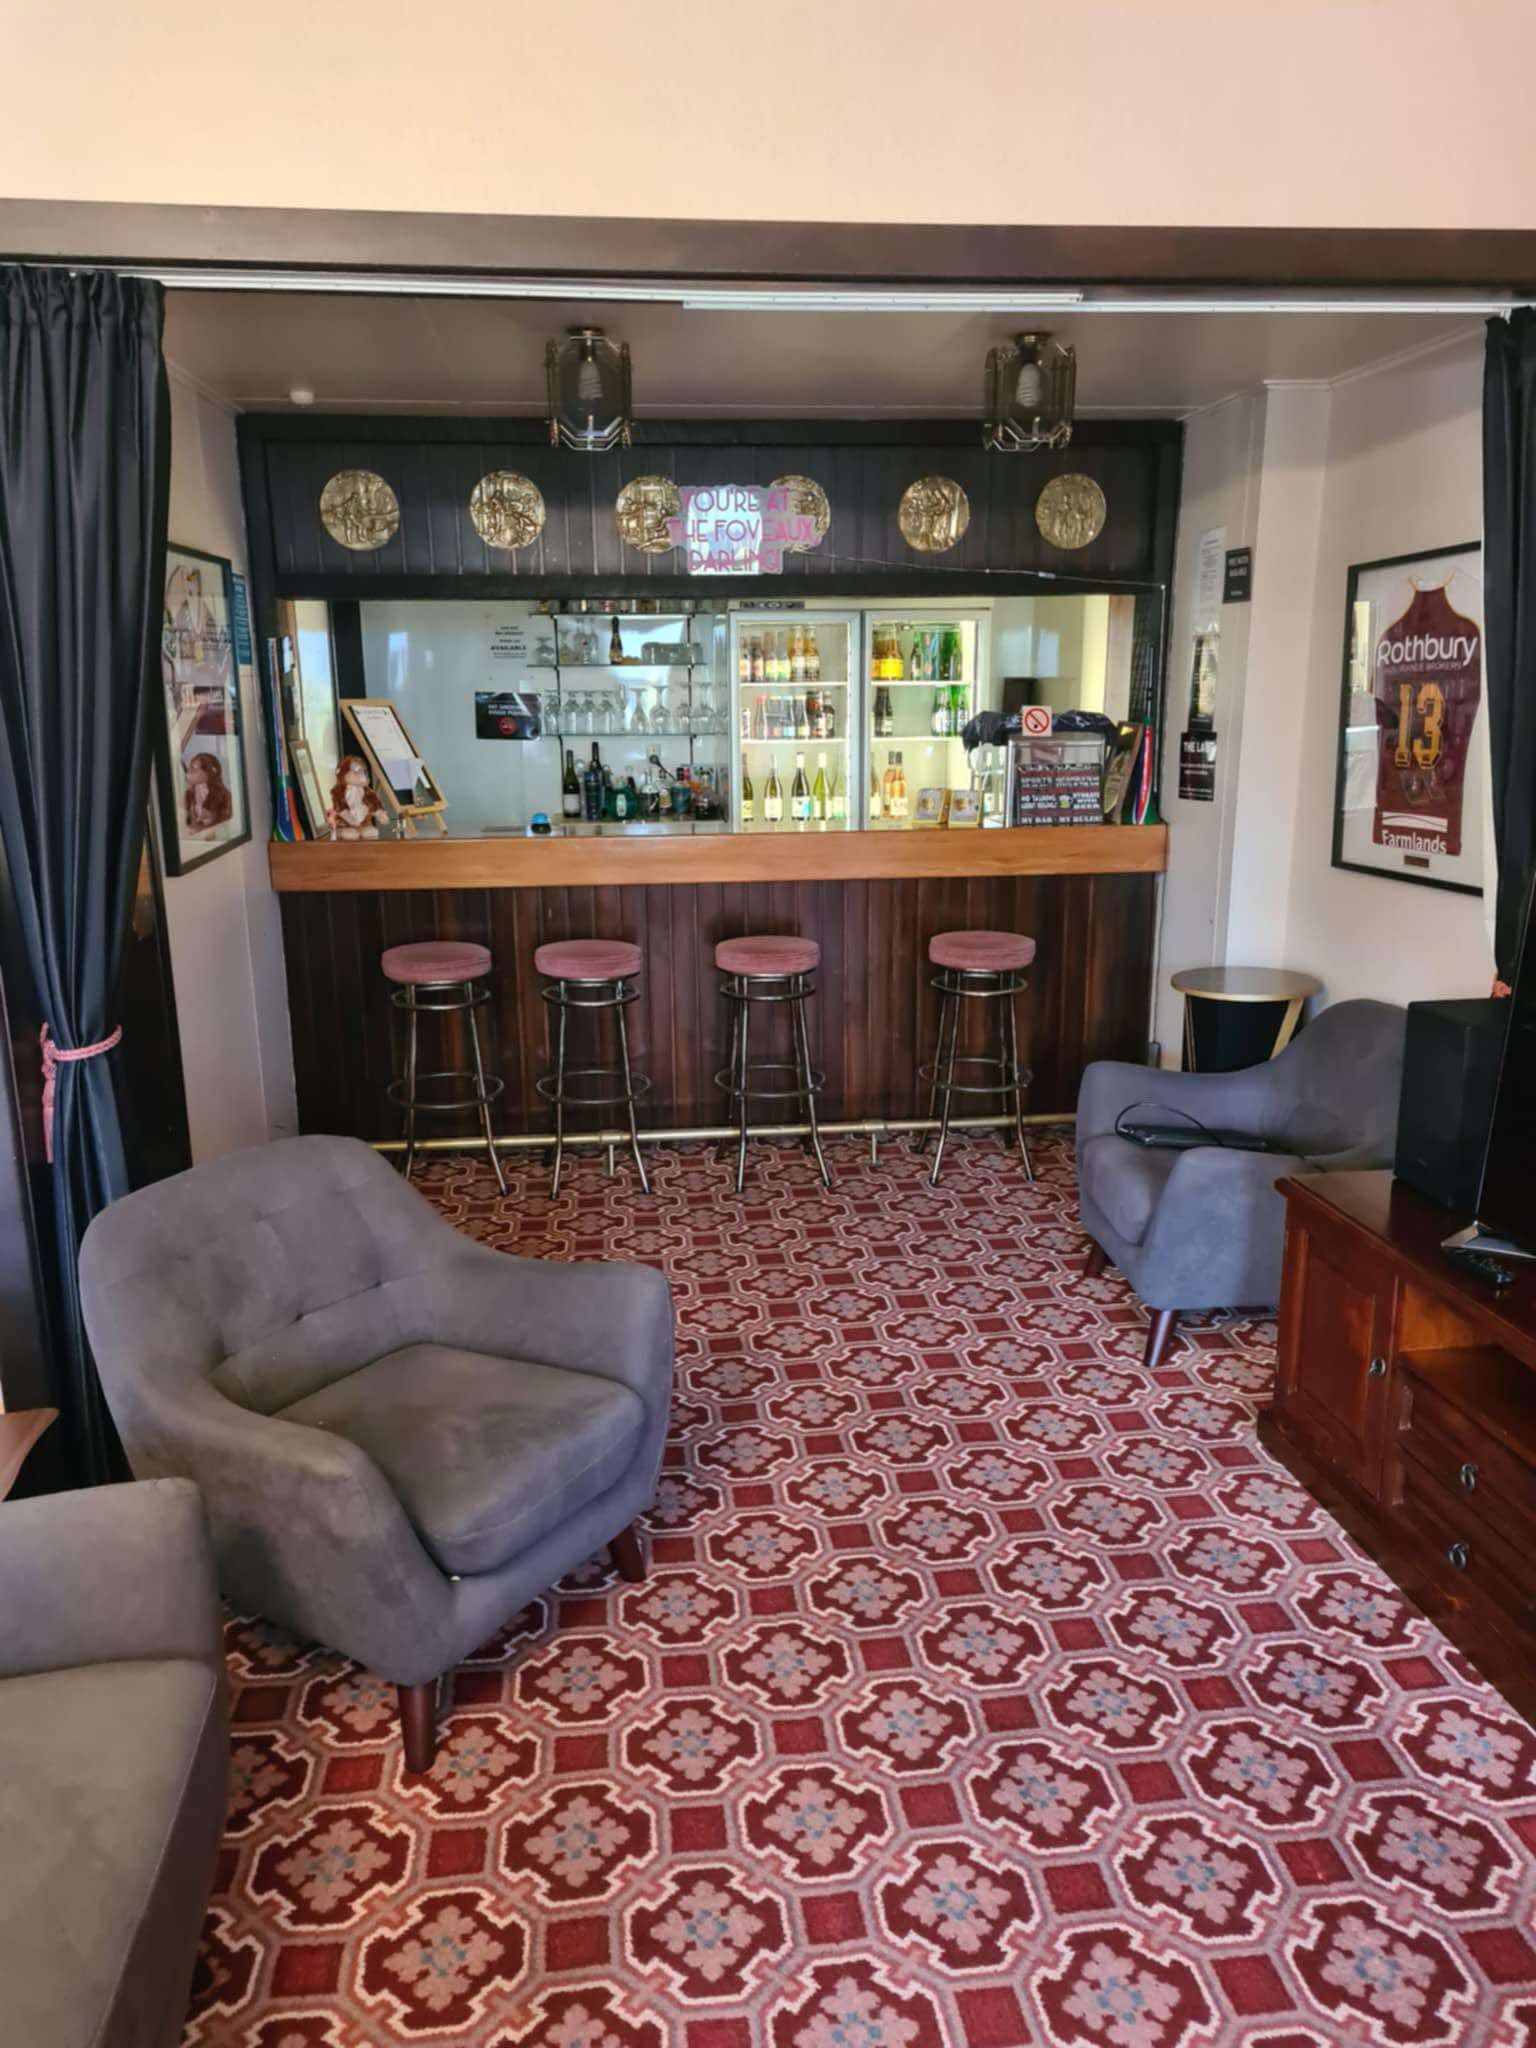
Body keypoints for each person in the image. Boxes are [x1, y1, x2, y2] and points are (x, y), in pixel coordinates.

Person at [183, 751, 233, 836]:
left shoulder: (223, 795)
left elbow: (226, 823)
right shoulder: (188, 794)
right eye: (189, 769)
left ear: (209, 773)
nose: (188, 773)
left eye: (194, 770)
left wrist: (211, 819)